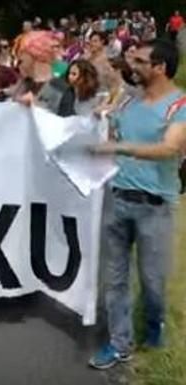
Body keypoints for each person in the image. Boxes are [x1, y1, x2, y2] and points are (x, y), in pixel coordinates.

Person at [89, 39, 186, 370]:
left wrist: (124, 148)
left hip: (154, 208)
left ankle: (154, 326)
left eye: (141, 62)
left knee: (153, 283)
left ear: (160, 67)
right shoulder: (128, 103)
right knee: (115, 279)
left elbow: (170, 148)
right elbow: (112, 134)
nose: (134, 67)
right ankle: (120, 343)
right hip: (117, 200)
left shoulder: (179, 106)